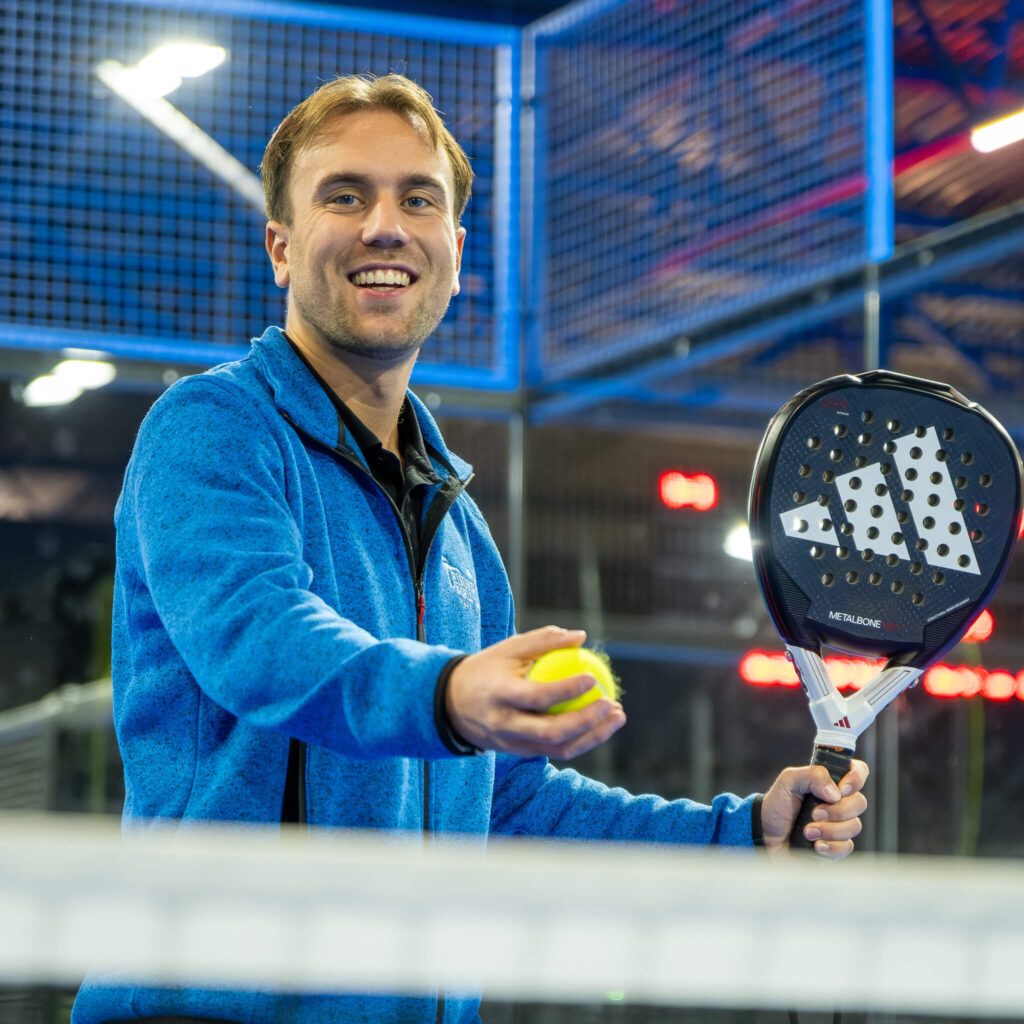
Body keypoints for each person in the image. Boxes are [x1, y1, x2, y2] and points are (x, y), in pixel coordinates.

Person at [72, 73, 868, 1024]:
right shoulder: (210, 429)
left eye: (419, 199)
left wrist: (736, 836)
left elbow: (505, 804)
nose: (384, 226)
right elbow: (262, 644)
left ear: (454, 251)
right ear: (280, 248)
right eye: (344, 195)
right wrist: (452, 697)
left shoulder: (460, 527)